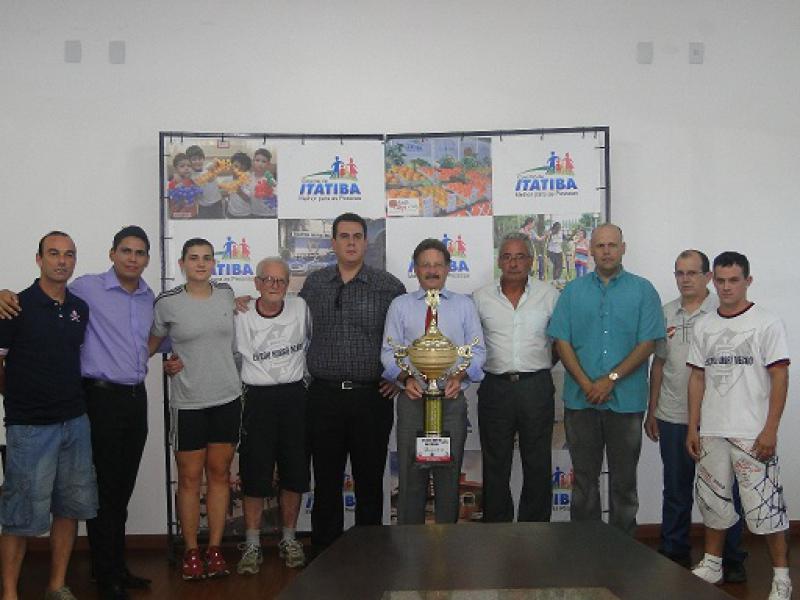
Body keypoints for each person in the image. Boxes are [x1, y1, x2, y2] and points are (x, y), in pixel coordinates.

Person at [0, 226, 161, 599]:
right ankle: (103, 576)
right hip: (92, 402)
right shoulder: (84, 290)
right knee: (79, 497)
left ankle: (106, 571)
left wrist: (157, 356)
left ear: (147, 259)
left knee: (108, 494)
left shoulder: (139, 297)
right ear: (111, 254)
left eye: (139, 252)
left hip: (121, 404)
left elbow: (154, 336)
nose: (132, 258)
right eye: (125, 250)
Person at [686, 252, 792, 600]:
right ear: (712, 281)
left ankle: (781, 577)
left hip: (752, 433)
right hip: (712, 431)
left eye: (734, 280)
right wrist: (693, 427)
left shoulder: (767, 322)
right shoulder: (704, 325)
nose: (726, 287)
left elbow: (780, 377)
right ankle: (713, 563)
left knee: (767, 509)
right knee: (713, 503)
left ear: (748, 281)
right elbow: (697, 378)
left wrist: (770, 429)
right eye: (720, 280)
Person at [547, 223, 664, 535]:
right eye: (600, 246)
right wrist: (588, 384)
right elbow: (562, 341)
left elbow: (648, 343)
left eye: (613, 245)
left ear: (623, 248)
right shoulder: (573, 292)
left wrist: (610, 379)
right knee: (584, 482)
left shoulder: (643, 290)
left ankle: (623, 548)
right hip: (580, 401)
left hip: (626, 403)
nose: (607, 251)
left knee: (624, 483)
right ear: (591, 250)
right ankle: (586, 547)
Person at [0, 231, 98, 600]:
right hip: (29, 427)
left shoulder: (79, 308)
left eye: (69, 254)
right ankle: (9, 592)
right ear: (39, 259)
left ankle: (57, 585)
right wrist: (19, 396)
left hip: (75, 422)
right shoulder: (15, 306)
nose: (62, 261)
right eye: (54, 253)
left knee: (69, 508)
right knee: (19, 515)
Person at [299, 212, 405, 549]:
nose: (351, 242)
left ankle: (369, 554)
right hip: (323, 397)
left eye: (357, 236)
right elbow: (290, 324)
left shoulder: (388, 286)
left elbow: (406, 335)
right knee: (326, 480)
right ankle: (324, 553)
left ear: (366, 242)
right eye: (344, 236)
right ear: (333, 243)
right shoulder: (314, 285)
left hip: (371, 398)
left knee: (370, 481)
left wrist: (399, 377)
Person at [644, 250, 747, 578]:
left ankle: (731, 559)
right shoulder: (665, 313)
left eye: (692, 273)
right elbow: (658, 364)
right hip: (673, 415)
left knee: (725, 490)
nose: (685, 279)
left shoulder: (722, 311)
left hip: (718, 419)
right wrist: (652, 411)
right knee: (676, 489)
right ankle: (674, 550)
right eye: (680, 273)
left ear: (707, 277)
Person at [148, 238, 241, 580]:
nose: (200, 263)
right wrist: (165, 363)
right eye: (193, 258)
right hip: (188, 403)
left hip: (227, 399)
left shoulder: (227, 293)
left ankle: (214, 549)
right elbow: (152, 344)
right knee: (189, 479)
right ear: (182, 263)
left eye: (206, 258)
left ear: (214, 263)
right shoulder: (167, 302)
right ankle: (190, 550)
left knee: (220, 475)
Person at [381, 238, 485, 524]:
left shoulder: (464, 306)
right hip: (412, 401)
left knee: (449, 479)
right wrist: (405, 379)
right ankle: (410, 543)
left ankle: (447, 544)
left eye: (438, 264)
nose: (431, 270)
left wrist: (460, 375)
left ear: (448, 268)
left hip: (451, 401)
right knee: (410, 478)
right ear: (415, 269)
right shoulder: (400, 306)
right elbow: (388, 352)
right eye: (425, 265)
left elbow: (478, 352)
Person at [473, 232, 559, 522]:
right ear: (499, 261)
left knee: (538, 461)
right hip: (495, 388)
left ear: (531, 261)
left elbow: (560, 343)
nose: (513, 263)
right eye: (507, 257)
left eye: (520, 256)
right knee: (495, 462)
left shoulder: (549, 295)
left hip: (536, 386)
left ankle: (535, 529)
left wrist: (539, 365)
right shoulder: (480, 298)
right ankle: (497, 528)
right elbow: (471, 342)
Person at [234, 257, 311, 574]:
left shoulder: (301, 308)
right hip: (256, 399)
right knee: (255, 473)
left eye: (280, 280)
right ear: (256, 283)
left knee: (294, 472)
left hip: (294, 397)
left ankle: (289, 539)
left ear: (288, 284)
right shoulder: (239, 313)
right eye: (267, 279)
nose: (274, 286)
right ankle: (252, 543)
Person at [186, 145, 223, 219]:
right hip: (203, 207)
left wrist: (215, 163)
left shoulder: (208, 168)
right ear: (189, 161)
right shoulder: (191, 175)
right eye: (194, 159)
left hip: (217, 203)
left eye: (200, 159)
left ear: (203, 159)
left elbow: (213, 172)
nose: (197, 161)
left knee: (219, 223)